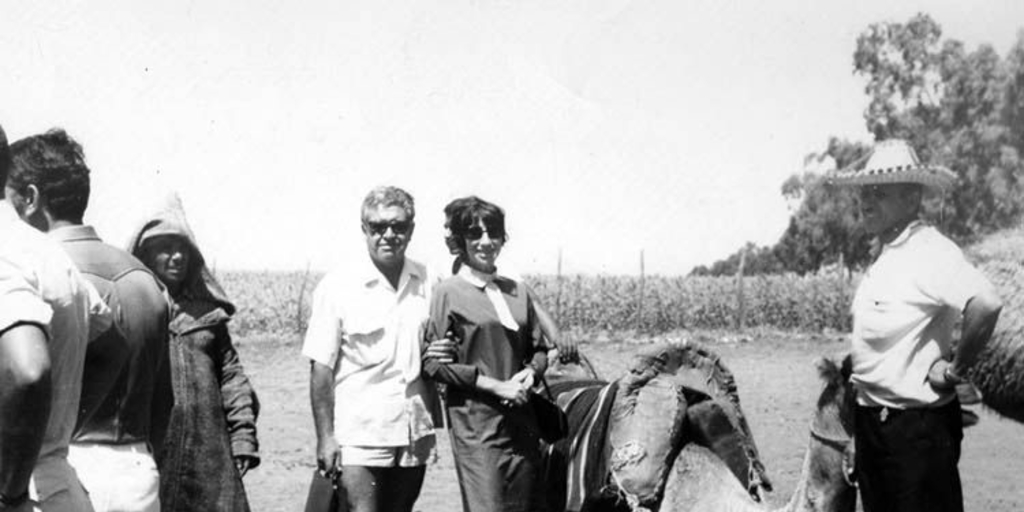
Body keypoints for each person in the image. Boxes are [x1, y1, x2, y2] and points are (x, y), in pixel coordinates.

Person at [827, 139, 1003, 512]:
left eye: (879, 192)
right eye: (863, 193)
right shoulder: (889, 254)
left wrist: (956, 370)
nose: (866, 201)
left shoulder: (930, 251)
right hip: (875, 424)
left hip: (915, 433)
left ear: (912, 199)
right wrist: (861, 432)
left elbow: (986, 304)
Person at [5, 129, 172, 512]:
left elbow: (26, 377)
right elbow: (164, 399)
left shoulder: (37, 269)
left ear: (30, 200)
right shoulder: (146, 280)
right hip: (137, 467)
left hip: (58, 466)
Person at [302, 186, 440, 512]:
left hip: (413, 428)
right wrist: (325, 438)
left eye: (398, 226)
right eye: (378, 227)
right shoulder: (338, 286)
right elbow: (321, 368)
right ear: (364, 229)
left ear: (411, 230)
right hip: (359, 432)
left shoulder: (430, 281)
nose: (388, 235)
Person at [0, 123, 111, 511]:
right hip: (53, 480)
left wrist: (10, 491)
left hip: (19, 490)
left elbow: (27, 370)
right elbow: (111, 344)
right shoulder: (42, 249)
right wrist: (55, 427)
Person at [127, 195, 260, 512]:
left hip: (208, 452)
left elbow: (232, 378)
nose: (176, 257)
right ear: (145, 254)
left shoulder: (209, 316)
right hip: (148, 450)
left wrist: (242, 436)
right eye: (165, 248)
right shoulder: (130, 309)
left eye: (182, 248)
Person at [422, 196, 552, 512]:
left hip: (521, 423)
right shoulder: (447, 292)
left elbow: (540, 350)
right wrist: (495, 385)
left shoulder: (516, 291)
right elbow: (433, 364)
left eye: (493, 233)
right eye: (474, 234)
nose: (485, 242)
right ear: (460, 242)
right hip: (476, 427)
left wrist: (532, 372)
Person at [442, 198, 578, 364]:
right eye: (445, 228)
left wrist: (558, 339)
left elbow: (531, 302)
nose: (446, 235)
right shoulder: (443, 275)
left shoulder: (498, 268)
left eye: (449, 227)